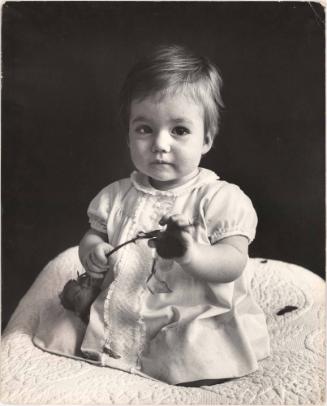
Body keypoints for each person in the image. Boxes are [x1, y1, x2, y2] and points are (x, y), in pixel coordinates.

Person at [34, 44, 270, 385]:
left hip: (188, 311)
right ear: (128, 135)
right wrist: (92, 250)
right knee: (67, 326)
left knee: (193, 352)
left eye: (179, 130)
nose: (160, 143)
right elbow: (95, 234)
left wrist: (191, 253)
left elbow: (233, 262)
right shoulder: (116, 195)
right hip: (122, 305)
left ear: (207, 139)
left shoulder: (220, 198)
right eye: (144, 128)